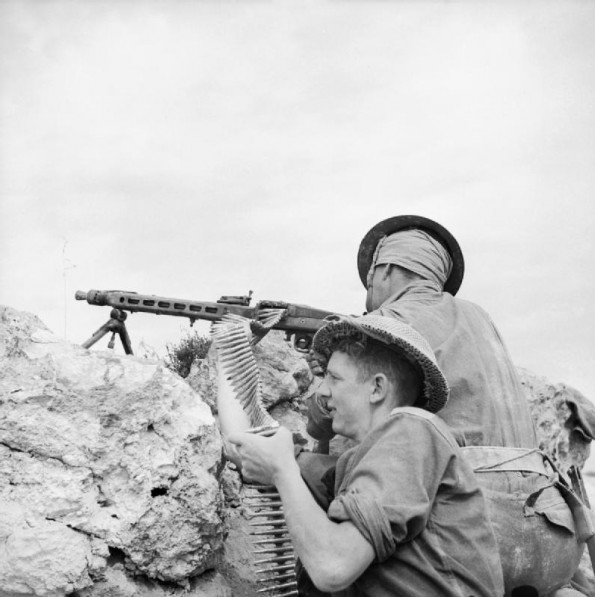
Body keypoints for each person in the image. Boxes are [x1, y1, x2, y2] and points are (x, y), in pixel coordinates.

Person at [305, 215, 586, 596]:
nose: (368, 289)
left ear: (384, 270)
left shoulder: (386, 322)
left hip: (483, 542)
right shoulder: (480, 316)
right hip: (553, 530)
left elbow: (324, 420)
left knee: (334, 505)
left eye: (370, 278)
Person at [219, 314, 505, 597]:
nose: (323, 392)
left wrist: (283, 471)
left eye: (334, 378)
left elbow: (333, 567)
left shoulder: (412, 430)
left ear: (377, 388)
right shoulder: (358, 463)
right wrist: (230, 344)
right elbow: (244, 449)